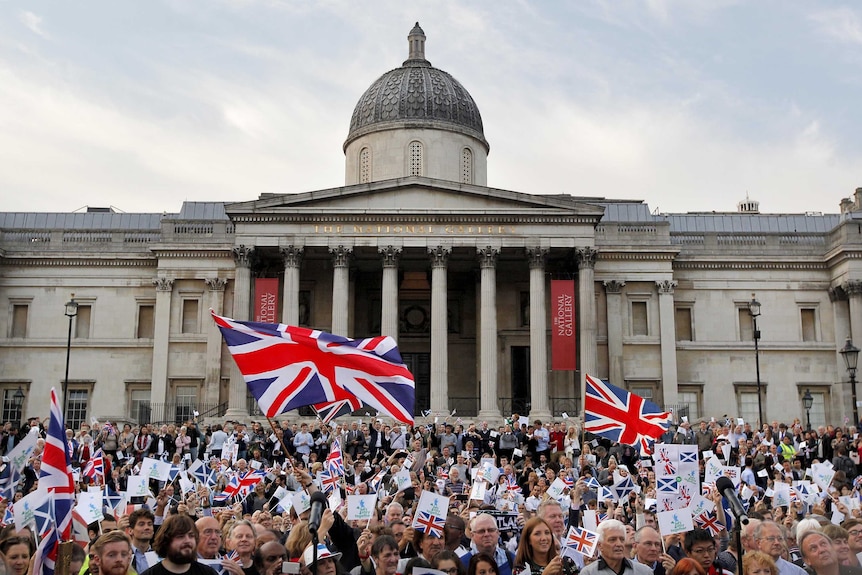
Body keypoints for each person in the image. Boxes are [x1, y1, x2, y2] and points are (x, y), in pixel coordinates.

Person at [141, 514, 218, 575]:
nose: (187, 541)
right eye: (180, 536)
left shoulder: (208, 573)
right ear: (166, 541)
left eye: (191, 536)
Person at [581, 519, 652, 575]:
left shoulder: (644, 572)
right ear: (600, 545)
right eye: (612, 540)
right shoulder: (588, 573)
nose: (619, 544)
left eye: (622, 539)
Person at [127, 508, 156, 574]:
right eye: (141, 524)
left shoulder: (159, 555)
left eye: (150, 524)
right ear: (131, 530)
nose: (147, 527)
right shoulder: (125, 554)